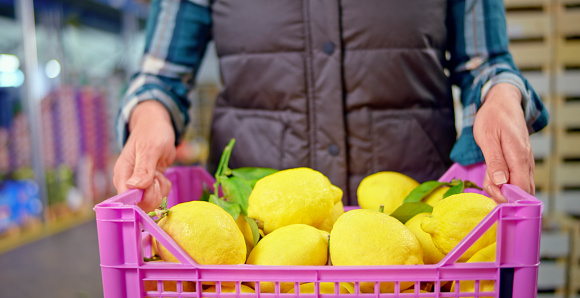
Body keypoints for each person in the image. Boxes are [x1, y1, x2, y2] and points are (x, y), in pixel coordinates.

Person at [113, 0, 548, 212]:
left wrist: (501, 95)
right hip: (252, 249)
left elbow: (485, 64)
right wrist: (150, 116)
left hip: (416, 242)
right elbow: (161, 76)